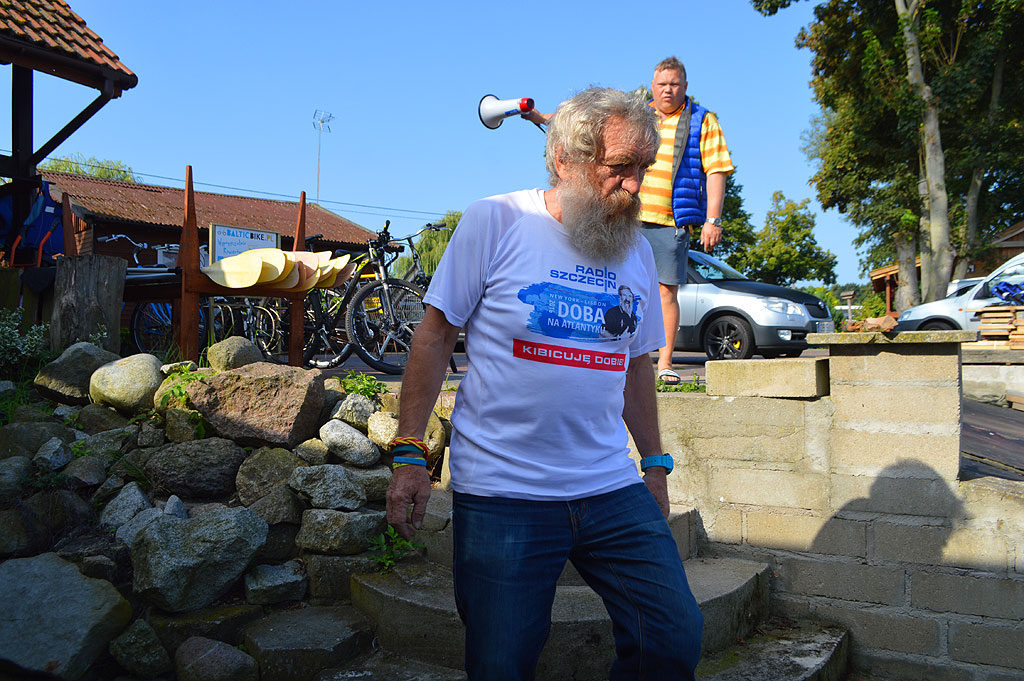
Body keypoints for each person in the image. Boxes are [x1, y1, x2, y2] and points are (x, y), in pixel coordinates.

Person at [386, 87, 704, 681]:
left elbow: (637, 367)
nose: (634, 186)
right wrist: (409, 453)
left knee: (673, 634)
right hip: (504, 490)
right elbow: (434, 337)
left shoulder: (636, 249)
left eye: (643, 167)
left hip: (608, 484)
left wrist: (655, 465)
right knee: (501, 663)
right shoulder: (496, 220)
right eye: (619, 167)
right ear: (564, 160)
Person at [523, 57, 734, 384]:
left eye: (674, 84)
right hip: (623, 213)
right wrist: (539, 117)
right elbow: (581, 124)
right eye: (662, 84)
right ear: (652, 86)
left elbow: (716, 169)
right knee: (608, 284)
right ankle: (611, 355)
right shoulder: (637, 116)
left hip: (670, 218)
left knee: (666, 291)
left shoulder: (702, 121)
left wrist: (713, 219)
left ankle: (664, 362)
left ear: (685, 87)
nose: (668, 90)